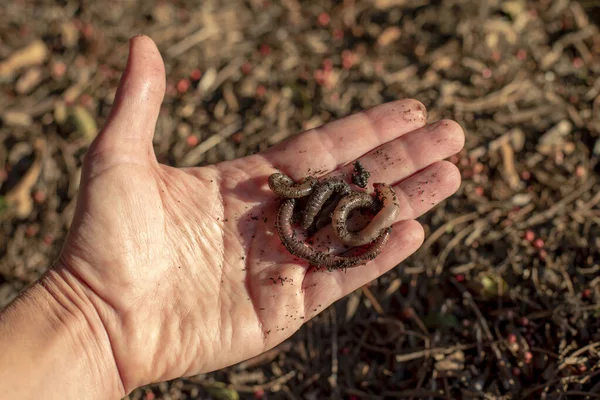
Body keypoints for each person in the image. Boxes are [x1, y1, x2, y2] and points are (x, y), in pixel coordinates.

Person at [0, 35, 464, 399]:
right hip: (313, 221)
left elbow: (326, 215)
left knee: (344, 223)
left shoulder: (338, 210)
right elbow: (297, 201)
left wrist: (95, 322)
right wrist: (95, 317)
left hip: (325, 220)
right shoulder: (303, 205)